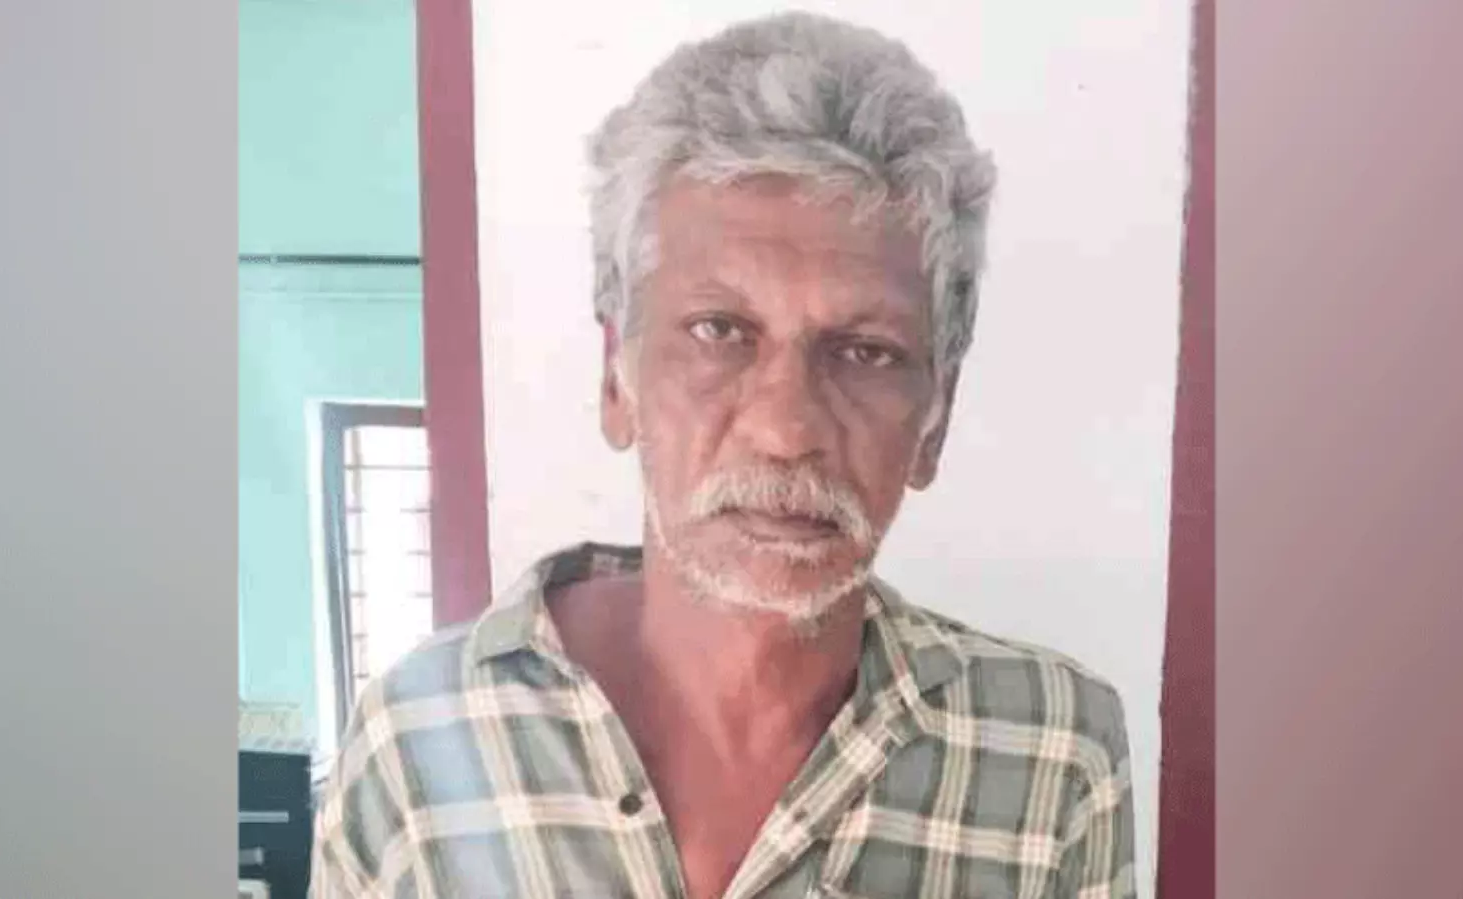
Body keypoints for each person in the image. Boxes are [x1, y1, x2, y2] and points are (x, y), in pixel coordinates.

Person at [310, 12, 1135, 899]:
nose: (787, 429)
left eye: (866, 351)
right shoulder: (418, 745)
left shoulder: (1052, 748)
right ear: (617, 379)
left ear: (935, 419)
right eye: (719, 330)